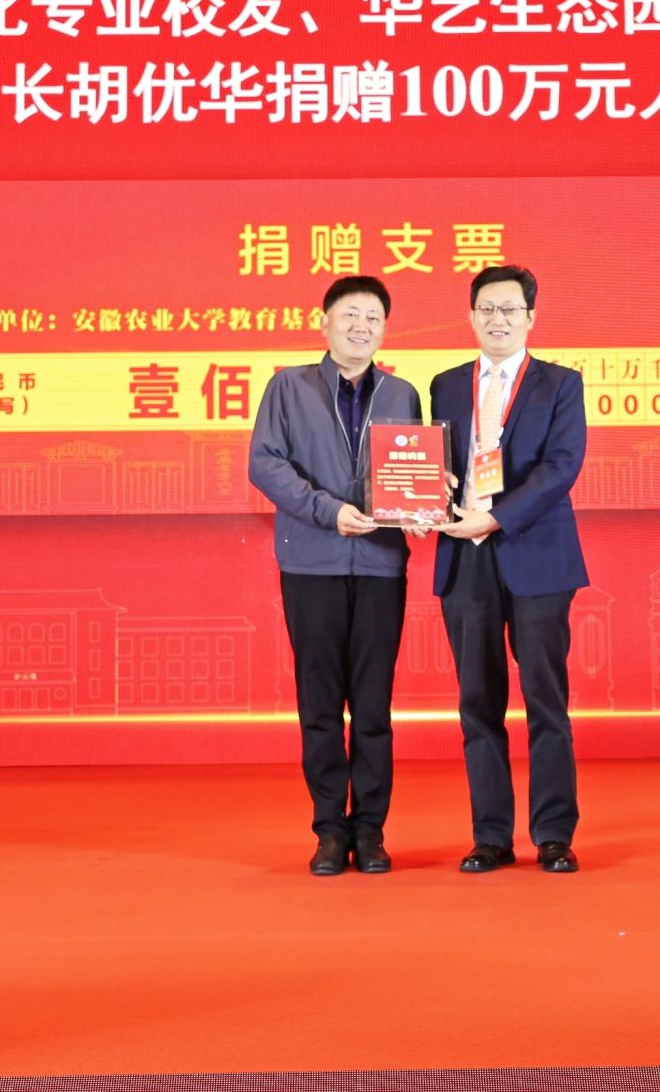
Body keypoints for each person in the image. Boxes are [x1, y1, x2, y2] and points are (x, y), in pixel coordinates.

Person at [248, 275, 422, 876]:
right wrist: (328, 510)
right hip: (311, 563)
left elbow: (414, 471)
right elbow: (265, 464)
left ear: (385, 329)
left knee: (373, 706)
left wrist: (423, 508)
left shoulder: (402, 393)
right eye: (350, 315)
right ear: (323, 322)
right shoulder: (288, 387)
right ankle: (329, 829)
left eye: (373, 317)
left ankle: (370, 830)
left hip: (380, 565)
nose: (361, 327)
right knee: (320, 704)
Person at [433, 264, 589, 874]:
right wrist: (429, 499)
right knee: (477, 702)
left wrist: (496, 518)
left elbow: (561, 467)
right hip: (465, 557)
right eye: (487, 309)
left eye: (509, 309)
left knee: (546, 699)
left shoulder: (560, 384)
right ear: (471, 316)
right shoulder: (445, 384)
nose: (497, 319)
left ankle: (553, 834)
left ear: (530, 317)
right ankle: (490, 836)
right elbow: (435, 463)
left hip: (536, 555)